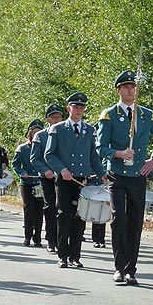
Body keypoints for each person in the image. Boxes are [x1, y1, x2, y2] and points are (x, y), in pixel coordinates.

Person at [97, 70, 153, 285]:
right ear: (118, 91)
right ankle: (118, 267)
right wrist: (118, 153)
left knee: (136, 221)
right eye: (125, 87)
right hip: (117, 175)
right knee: (120, 219)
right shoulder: (109, 114)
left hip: (137, 175)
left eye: (132, 87)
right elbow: (100, 147)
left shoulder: (146, 114)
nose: (130, 90)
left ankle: (131, 269)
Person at [45, 92, 107, 268]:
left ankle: (75, 256)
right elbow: (49, 154)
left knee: (80, 217)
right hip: (65, 179)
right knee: (64, 215)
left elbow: (93, 157)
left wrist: (102, 173)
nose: (79, 110)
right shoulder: (57, 129)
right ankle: (63, 255)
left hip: (82, 180)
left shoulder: (89, 130)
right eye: (76, 106)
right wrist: (62, 169)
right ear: (68, 108)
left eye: (82, 107)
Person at [30, 103, 63, 253]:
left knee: (64, 208)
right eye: (53, 117)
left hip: (64, 176)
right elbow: (35, 158)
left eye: (59, 116)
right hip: (47, 177)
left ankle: (62, 239)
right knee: (50, 207)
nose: (57, 119)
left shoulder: (66, 133)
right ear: (47, 119)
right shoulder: (40, 136)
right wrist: (45, 171)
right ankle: (51, 239)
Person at [13, 119, 45, 247]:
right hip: (26, 182)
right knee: (28, 208)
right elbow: (15, 164)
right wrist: (22, 172)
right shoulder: (22, 148)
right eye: (34, 133)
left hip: (40, 182)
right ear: (30, 133)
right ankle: (27, 236)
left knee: (39, 210)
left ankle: (37, 237)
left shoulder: (45, 148)